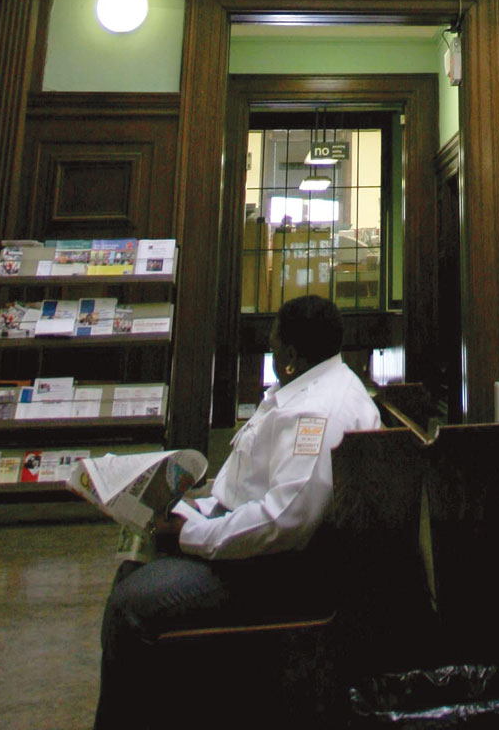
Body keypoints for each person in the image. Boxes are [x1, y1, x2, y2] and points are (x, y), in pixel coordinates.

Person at [94, 293, 381, 730]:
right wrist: (195, 507)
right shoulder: (304, 386)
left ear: (289, 354)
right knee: (134, 562)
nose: (267, 351)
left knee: (129, 606)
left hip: (274, 573)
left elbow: (284, 521)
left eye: (271, 343)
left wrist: (191, 535)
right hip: (247, 541)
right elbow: (255, 485)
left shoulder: (318, 413)